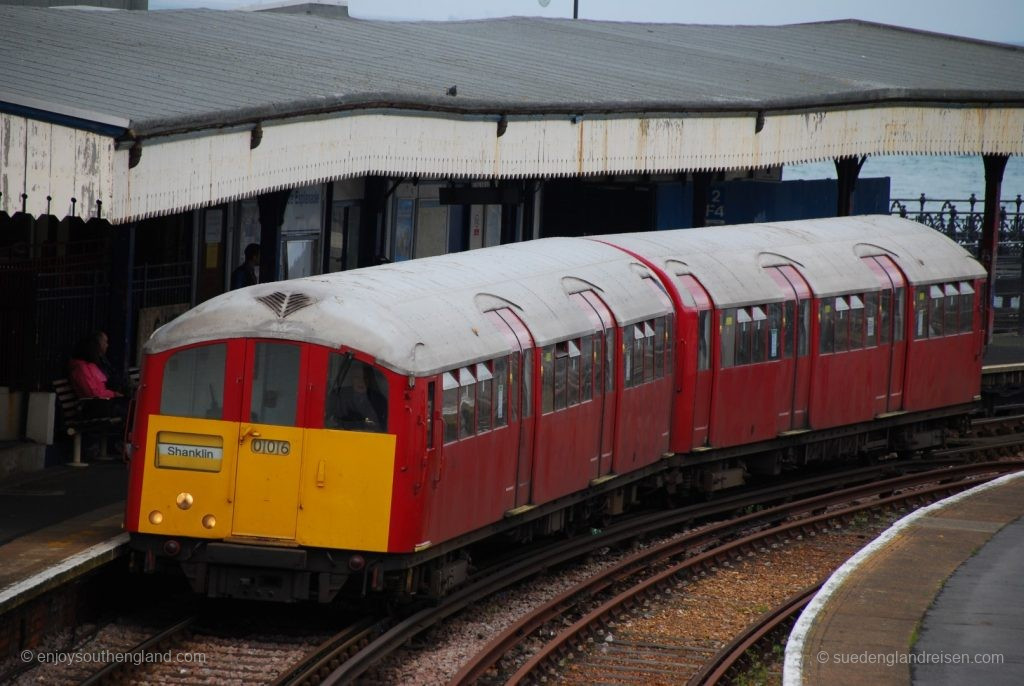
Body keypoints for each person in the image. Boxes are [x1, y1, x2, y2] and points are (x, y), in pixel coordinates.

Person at [327, 363, 387, 432]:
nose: (361, 381)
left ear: (370, 380)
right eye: (357, 377)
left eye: (365, 377)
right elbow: (327, 421)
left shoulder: (379, 400)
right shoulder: (338, 396)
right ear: (351, 379)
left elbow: (383, 427)